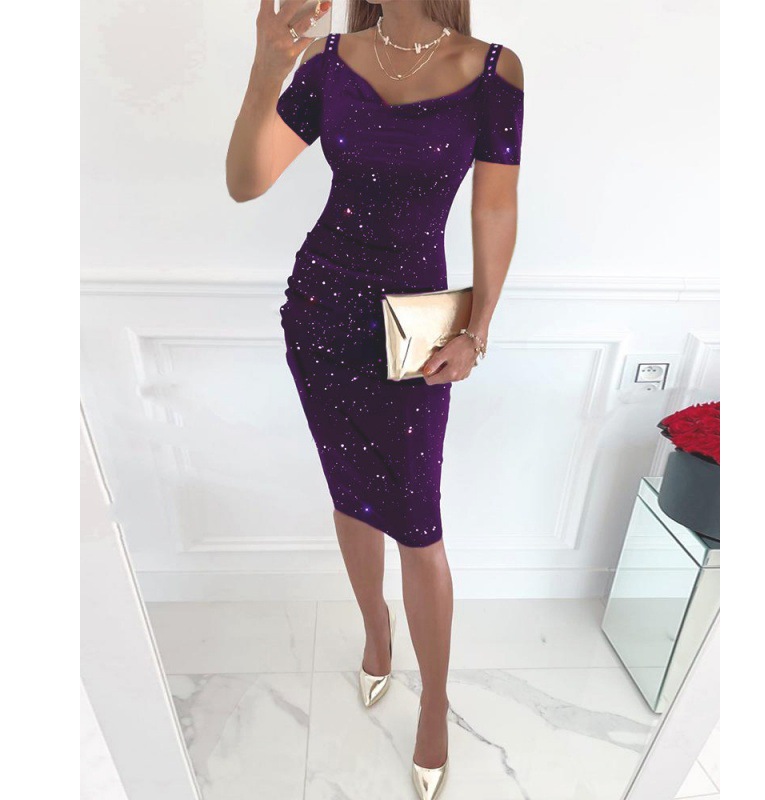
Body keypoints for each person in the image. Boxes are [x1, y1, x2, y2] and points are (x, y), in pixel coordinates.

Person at [226, 1, 523, 796]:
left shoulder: (492, 70)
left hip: (417, 328)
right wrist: (266, 69)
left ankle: (434, 705)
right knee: (351, 492)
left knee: (419, 524)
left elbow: (495, 205)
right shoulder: (327, 63)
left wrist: (479, 331)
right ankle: (376, 628)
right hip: (320, 311)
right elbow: (246, 183)